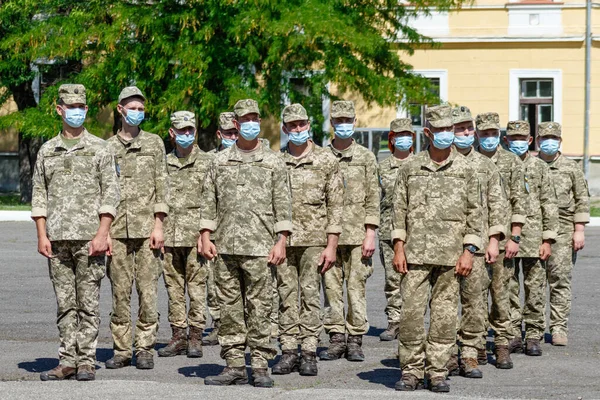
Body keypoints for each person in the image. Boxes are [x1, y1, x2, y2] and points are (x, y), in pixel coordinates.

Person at [200, 99, 293, 387]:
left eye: (255, 118)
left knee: (261, 307)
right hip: (225, 246)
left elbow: (284, 205)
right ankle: (235, 364)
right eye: (245, 119)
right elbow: (208, 202)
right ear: (236, 125)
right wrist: (205, 236)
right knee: (229, 308)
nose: (251, 123)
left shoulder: (274, 161)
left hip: (261, 248)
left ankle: (261, 364)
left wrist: (281, 241)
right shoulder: (219, 161)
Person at [32, 84, 120, 381]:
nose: (77, 111)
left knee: (89, 303)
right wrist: (42, 234)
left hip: (89, 239)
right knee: (64, 303)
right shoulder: (47, 150)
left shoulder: (100, 148)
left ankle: (86, 361)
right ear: (59, 109)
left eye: (81, 106)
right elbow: (39, 195)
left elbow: (111, 193)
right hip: (57, 239)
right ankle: (67, 360)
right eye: (71, 107)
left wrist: (102, 233)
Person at [392, 104, 482, 393]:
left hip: (451, 256)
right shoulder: (410, 167)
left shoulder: (466, 169)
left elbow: (475, 214)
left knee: (444, 318)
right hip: (415, 255)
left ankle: (438, 371)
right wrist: (398, 247)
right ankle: (411, 370)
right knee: (411, 317)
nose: (446, 135)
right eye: (440, 130)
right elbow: (398, 210)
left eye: (450, 130)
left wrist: (469, 251)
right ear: (428, 133)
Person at [272, 103, 344, 377]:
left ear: (309, 126)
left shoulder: (326, 160)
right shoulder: (276, 161)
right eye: (292, 125)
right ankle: (289, 350)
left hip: (314, 240)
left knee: (311, 297)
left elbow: (336, 206)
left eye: (302, 124)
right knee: (286, 295)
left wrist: (332, 245)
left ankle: (309, 351)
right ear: (285, 128)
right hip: (283, 240)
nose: (298, 129)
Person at [105, 86, 169, 370]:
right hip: (117, 231)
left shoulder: (155, 144)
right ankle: (121, 349)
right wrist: (104, 232)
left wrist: (159, 224)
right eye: (132, 108)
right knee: (120, 291)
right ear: (120, 110)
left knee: (148, 291)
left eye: (141, 109)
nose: (137, 113)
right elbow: (101, 191)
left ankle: (144, 347)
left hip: (147, 231)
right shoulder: (106, 148)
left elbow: (162, 186)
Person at [447, 107, 508, 378]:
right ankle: (447, 353)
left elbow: (498, 206)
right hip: (443, 247)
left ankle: (470, 353)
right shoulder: (438, 162)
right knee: (444, 303)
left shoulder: (485, 165)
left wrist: (494, 241)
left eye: (468, 128)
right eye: (459, 129)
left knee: (474, 302)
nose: (466, 133)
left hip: (478, 245)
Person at [321, 100, 380, 362]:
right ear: (332, 123)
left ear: (355, 122)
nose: (344, 125)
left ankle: (355, 338)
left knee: (356, 287)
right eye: (339, 120)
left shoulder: (366, 156)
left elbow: (373, 197)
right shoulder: (322, 157)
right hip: (328, 236)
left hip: (357, 235)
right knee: (331, 287)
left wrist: (371, 232)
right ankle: (335, 336)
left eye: (348, 120)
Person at [157, 111, 214, 358]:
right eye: (182, 131)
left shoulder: (208, 162)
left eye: (190, 130)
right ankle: (178, 335)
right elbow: (156, 198)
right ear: (172, 133)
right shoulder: (163, 163)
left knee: (197, 288)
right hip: (169, 236)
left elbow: (212, 200)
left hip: (195, 236)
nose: (187, 135)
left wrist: (206, 235)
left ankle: (195, 337)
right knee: (173, 288)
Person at [475, 112, 526, 368]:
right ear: (477, 135)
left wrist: (515, 236)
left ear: (499, 135)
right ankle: (478, 345)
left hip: (503, 239)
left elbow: (519, 201)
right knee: (474, 296)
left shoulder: (512, 162)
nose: (489, 137)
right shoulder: (468, 161)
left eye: (493, 133)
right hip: (474, 240)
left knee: (501, 295)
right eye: (484, 133)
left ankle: (503, 344)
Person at [504, 120, 559, 356]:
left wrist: (547, 239)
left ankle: (534, 334)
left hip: (534, 237)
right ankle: (514, 332)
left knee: (535, 288)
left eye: (522, 137)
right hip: (508, 236)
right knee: (509, 288)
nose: (517, 141)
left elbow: (549, 203)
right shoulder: (500, 165)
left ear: (529, 140)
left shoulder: (540, 168)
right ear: (506, 140)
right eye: (512, 137)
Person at [536, 122, 589, 346]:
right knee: (535, 282)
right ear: (537, 141)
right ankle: (535, 328)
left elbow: (582, 198)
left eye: (554, 138)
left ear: (560, 141)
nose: (549, 142)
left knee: (559, 280)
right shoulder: (530, 165)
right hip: (535, 229)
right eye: (545, 138)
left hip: (564, 229)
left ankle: (558, 327)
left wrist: (579, 230)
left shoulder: (571, 167)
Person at [377, 118, 415, 342]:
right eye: (399, 134)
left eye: (407, 134)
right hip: (388, 230)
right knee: (392, 279)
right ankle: (394, 321)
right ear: (391, 138)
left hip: (416, 231)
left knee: (415, 279)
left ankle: (412, 321)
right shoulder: (382, 166)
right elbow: (375, 199)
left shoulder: (420, 163)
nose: (404, 138)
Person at [203, 111, 238, 345]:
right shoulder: (209, 161)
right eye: (228, 133)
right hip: (217, 232)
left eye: (236, 132)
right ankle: (219, 325)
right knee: (215, 284)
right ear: (219, 134)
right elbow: (206, 198)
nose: (232, 137)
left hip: (246, 233)